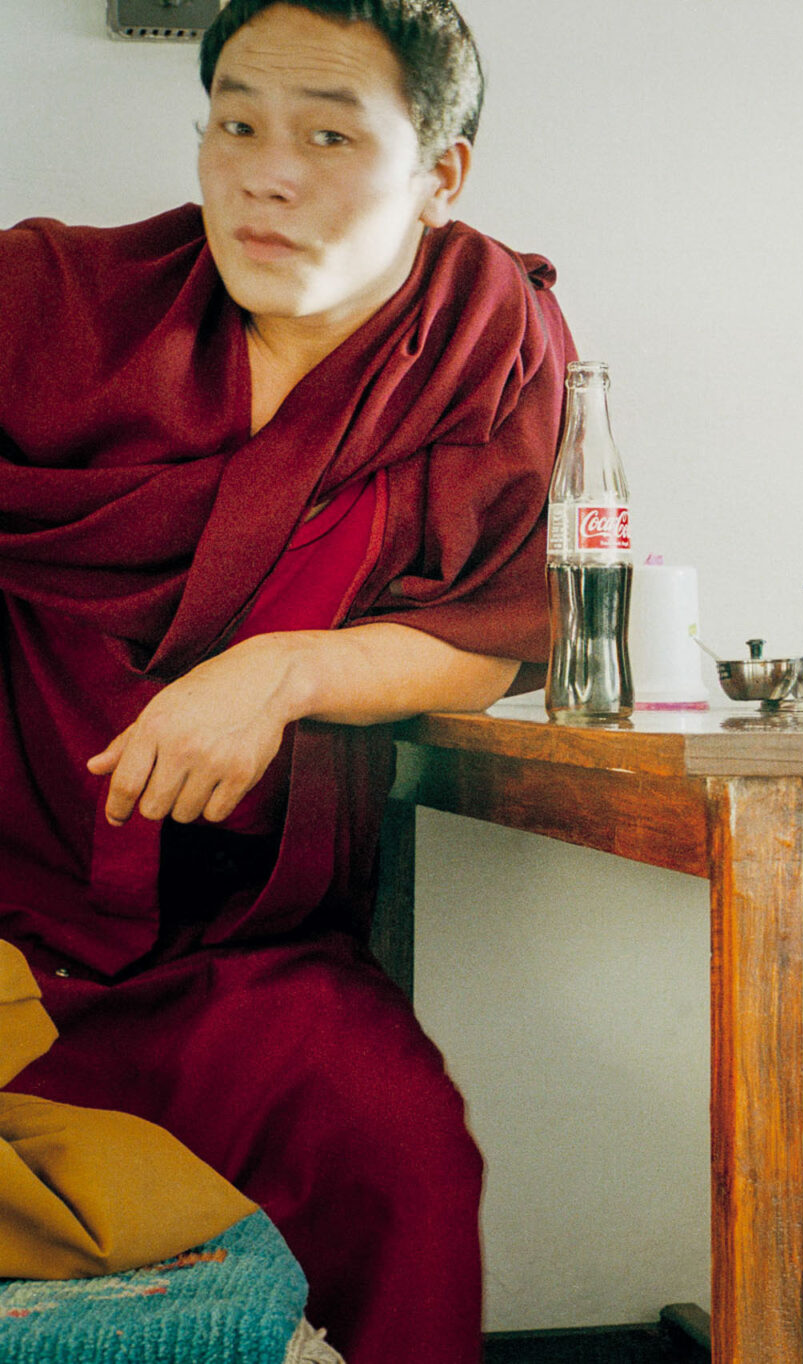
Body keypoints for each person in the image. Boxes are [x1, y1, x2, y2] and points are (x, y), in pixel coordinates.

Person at [0, 1, 575, 1360]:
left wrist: (286, 669)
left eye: (329, 134)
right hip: (13, 911)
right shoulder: (49, 307)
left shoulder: (486, 345)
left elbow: (495, 631)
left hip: (237, 949)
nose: (267, 170)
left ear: (443, 175)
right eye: (237, 123)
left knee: (403, 1153)